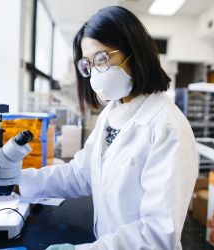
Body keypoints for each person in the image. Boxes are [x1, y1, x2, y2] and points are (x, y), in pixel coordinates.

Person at [19, 6, 198, 250]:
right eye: (88, 64)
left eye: (102, 58)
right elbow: (81, 174)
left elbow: (158, 234)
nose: (95, 72)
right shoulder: (112, 112)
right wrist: (19, 181)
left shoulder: (168, 127)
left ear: (133, 51)